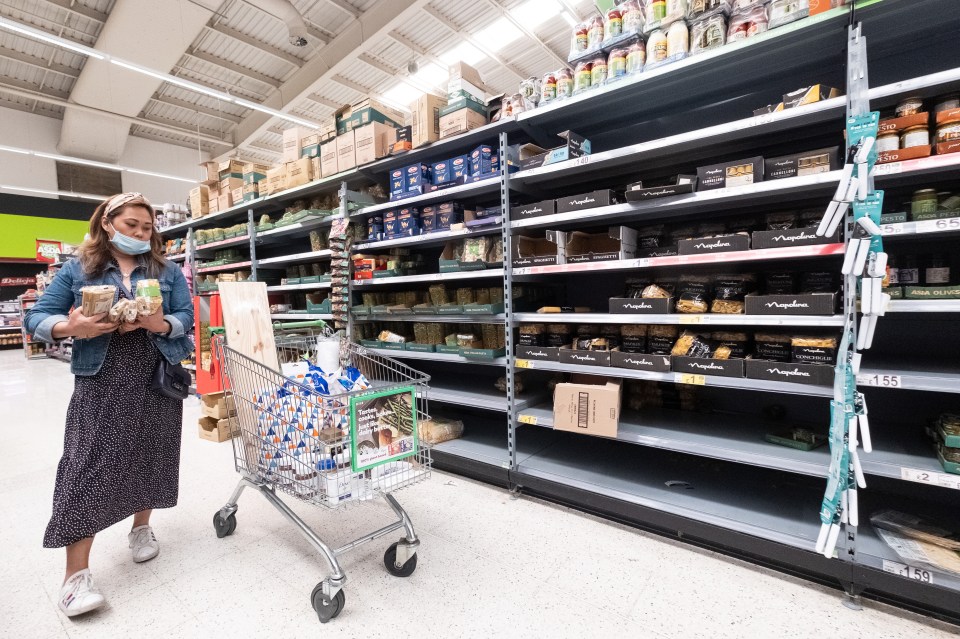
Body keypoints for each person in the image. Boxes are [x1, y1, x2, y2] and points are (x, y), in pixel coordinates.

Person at [25, 192, 194, 618]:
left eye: (147, 226)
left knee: (152, 453)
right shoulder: (79, 269)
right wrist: (71, 326)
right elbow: (37, 317)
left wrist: (162, 323)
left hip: (156, 374)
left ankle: (141, 529)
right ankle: (75, 577)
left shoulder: (168, 270)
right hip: (102, 377)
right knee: (89, 464)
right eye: (132, 224)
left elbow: (187, 316)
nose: (140, 233)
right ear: (107, 223)